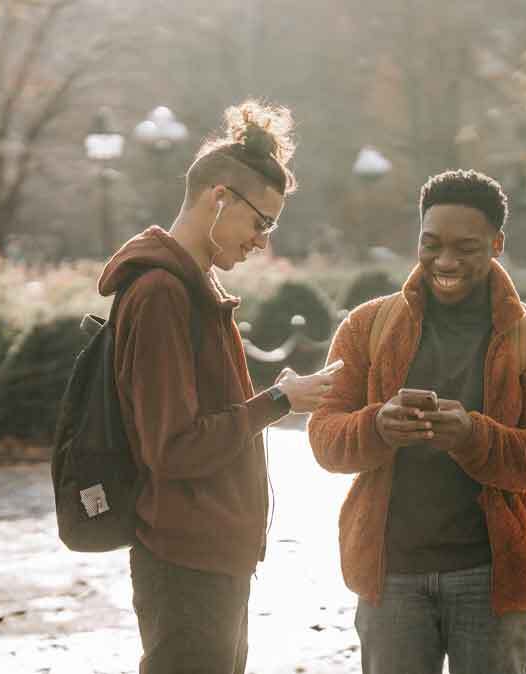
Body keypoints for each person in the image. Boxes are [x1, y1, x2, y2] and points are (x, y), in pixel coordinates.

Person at [97, 100, 338, 674]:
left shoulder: (190, 285)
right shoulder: (162, 292)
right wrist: (280, 401)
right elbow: (174, 446)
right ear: (220, 197)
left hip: (211, 553)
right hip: (185, 555)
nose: (263, 241)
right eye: (262, 222)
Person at [307, 169, 526, 674]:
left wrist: (475, 437)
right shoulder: (368, 325)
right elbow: (324, 438)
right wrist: (377, 427)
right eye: (431, 244)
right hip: (391, 576)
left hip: (494, 579)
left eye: (466, 248)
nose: (445, 261)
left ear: (497, 244)